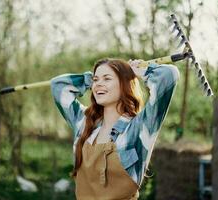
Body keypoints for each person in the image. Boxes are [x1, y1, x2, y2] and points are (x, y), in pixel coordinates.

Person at [50, 58, 180, 200]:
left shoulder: (138, 128)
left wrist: (140, 71)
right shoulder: (85, 123)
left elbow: (169, 75)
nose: (99, 83)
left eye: (107, 79)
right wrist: (88, 80)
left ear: (123, 84)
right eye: (96, 79)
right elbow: (58, 86)